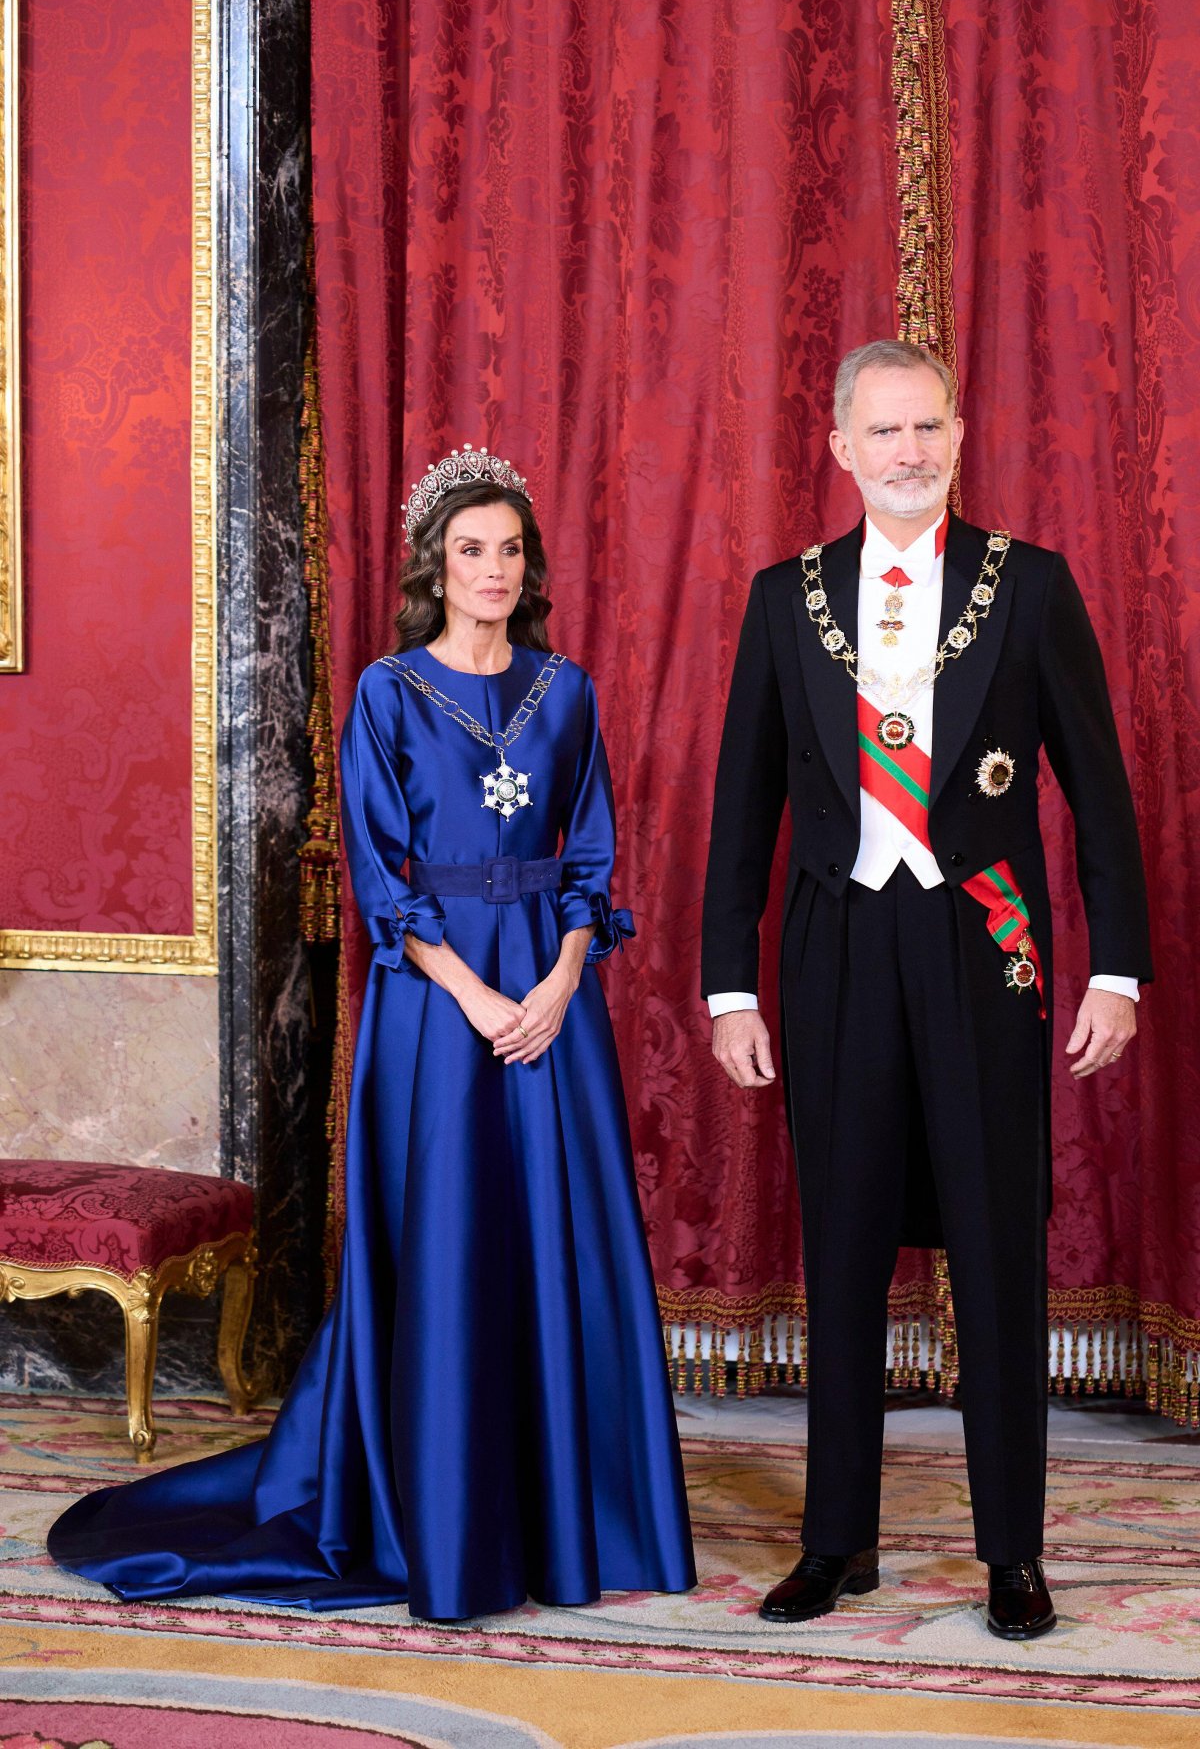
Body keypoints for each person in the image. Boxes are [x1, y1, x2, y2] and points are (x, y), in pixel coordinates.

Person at [50, 445, 695, 1620]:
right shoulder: (389, 694)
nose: (492, 570)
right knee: (447, 1234)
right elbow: (383, 878)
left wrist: (561, 980)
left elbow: (591, 857)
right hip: (438, 1005)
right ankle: (438, 1510)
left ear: (528, 567)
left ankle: (573, 1517)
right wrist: (477, 995)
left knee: (558, 1236)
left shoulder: (568, 691)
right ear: (434, 568)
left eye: (509, 551)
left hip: (552, 1002)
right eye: (470, 551)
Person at [701, 340, 1151, 1640]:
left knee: (998, 1242)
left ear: (957, 435)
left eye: (928, 427)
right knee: (841, 1241)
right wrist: (730, 989)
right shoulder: (784, 598)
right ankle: (837, 1539)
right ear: (842, 449)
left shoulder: (1030, 586)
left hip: (983, 944)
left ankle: (1013, 1552)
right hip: (836, 946)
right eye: (885, 431)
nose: (909, 451)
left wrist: (1116, 968)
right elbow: (744, 808)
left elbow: (1102, 795)